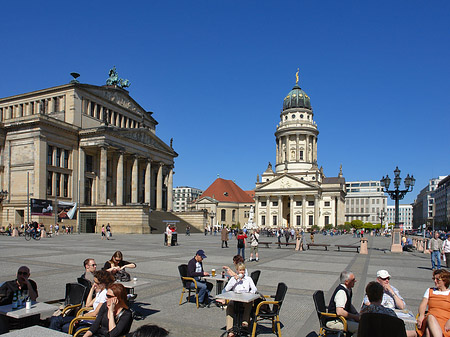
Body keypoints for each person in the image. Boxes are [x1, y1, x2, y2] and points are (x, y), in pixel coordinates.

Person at [49, 270, 115, 332]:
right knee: (55, 319)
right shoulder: (100, 292)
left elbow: (95, 313)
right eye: (94, 282)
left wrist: (81, 317)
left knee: (63, 326)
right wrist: (92, 290)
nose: (94, 284)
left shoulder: (104, 295)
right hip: (86, 318)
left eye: (96, 283)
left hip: (91, 320)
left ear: (103, 284)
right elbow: (87, 304)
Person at [224, 263, 257, 337]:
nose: (242, 272)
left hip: (245, 299)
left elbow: (254, 288)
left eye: (243, 270)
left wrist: (250, 293)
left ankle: (244, 322)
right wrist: (235, 280)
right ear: (237, 271)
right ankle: (230, 330)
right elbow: (226, 289)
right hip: (235, 298)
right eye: (240, 270)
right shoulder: (233, 279)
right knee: (229, 306)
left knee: (249, 303)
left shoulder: (248, 279)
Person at [417, 269, 450, 337]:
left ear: (445, 280)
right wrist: (421, 315)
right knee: (431, 317)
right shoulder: (430, 290)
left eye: (438, 279)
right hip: (430, 318)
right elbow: (423, 305)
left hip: (445, 320)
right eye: (434, 279)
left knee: (428, 331)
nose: (435, 281)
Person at [327, 271, 359, 336]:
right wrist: (355, 317)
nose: (355, 281)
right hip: (334, 321)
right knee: (360, 329)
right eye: (353, 280)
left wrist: (357, 315)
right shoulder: (341, 292)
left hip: (341, 319)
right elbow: (339, 312)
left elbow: (349, 305)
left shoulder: (348, 289)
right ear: (346, 282)